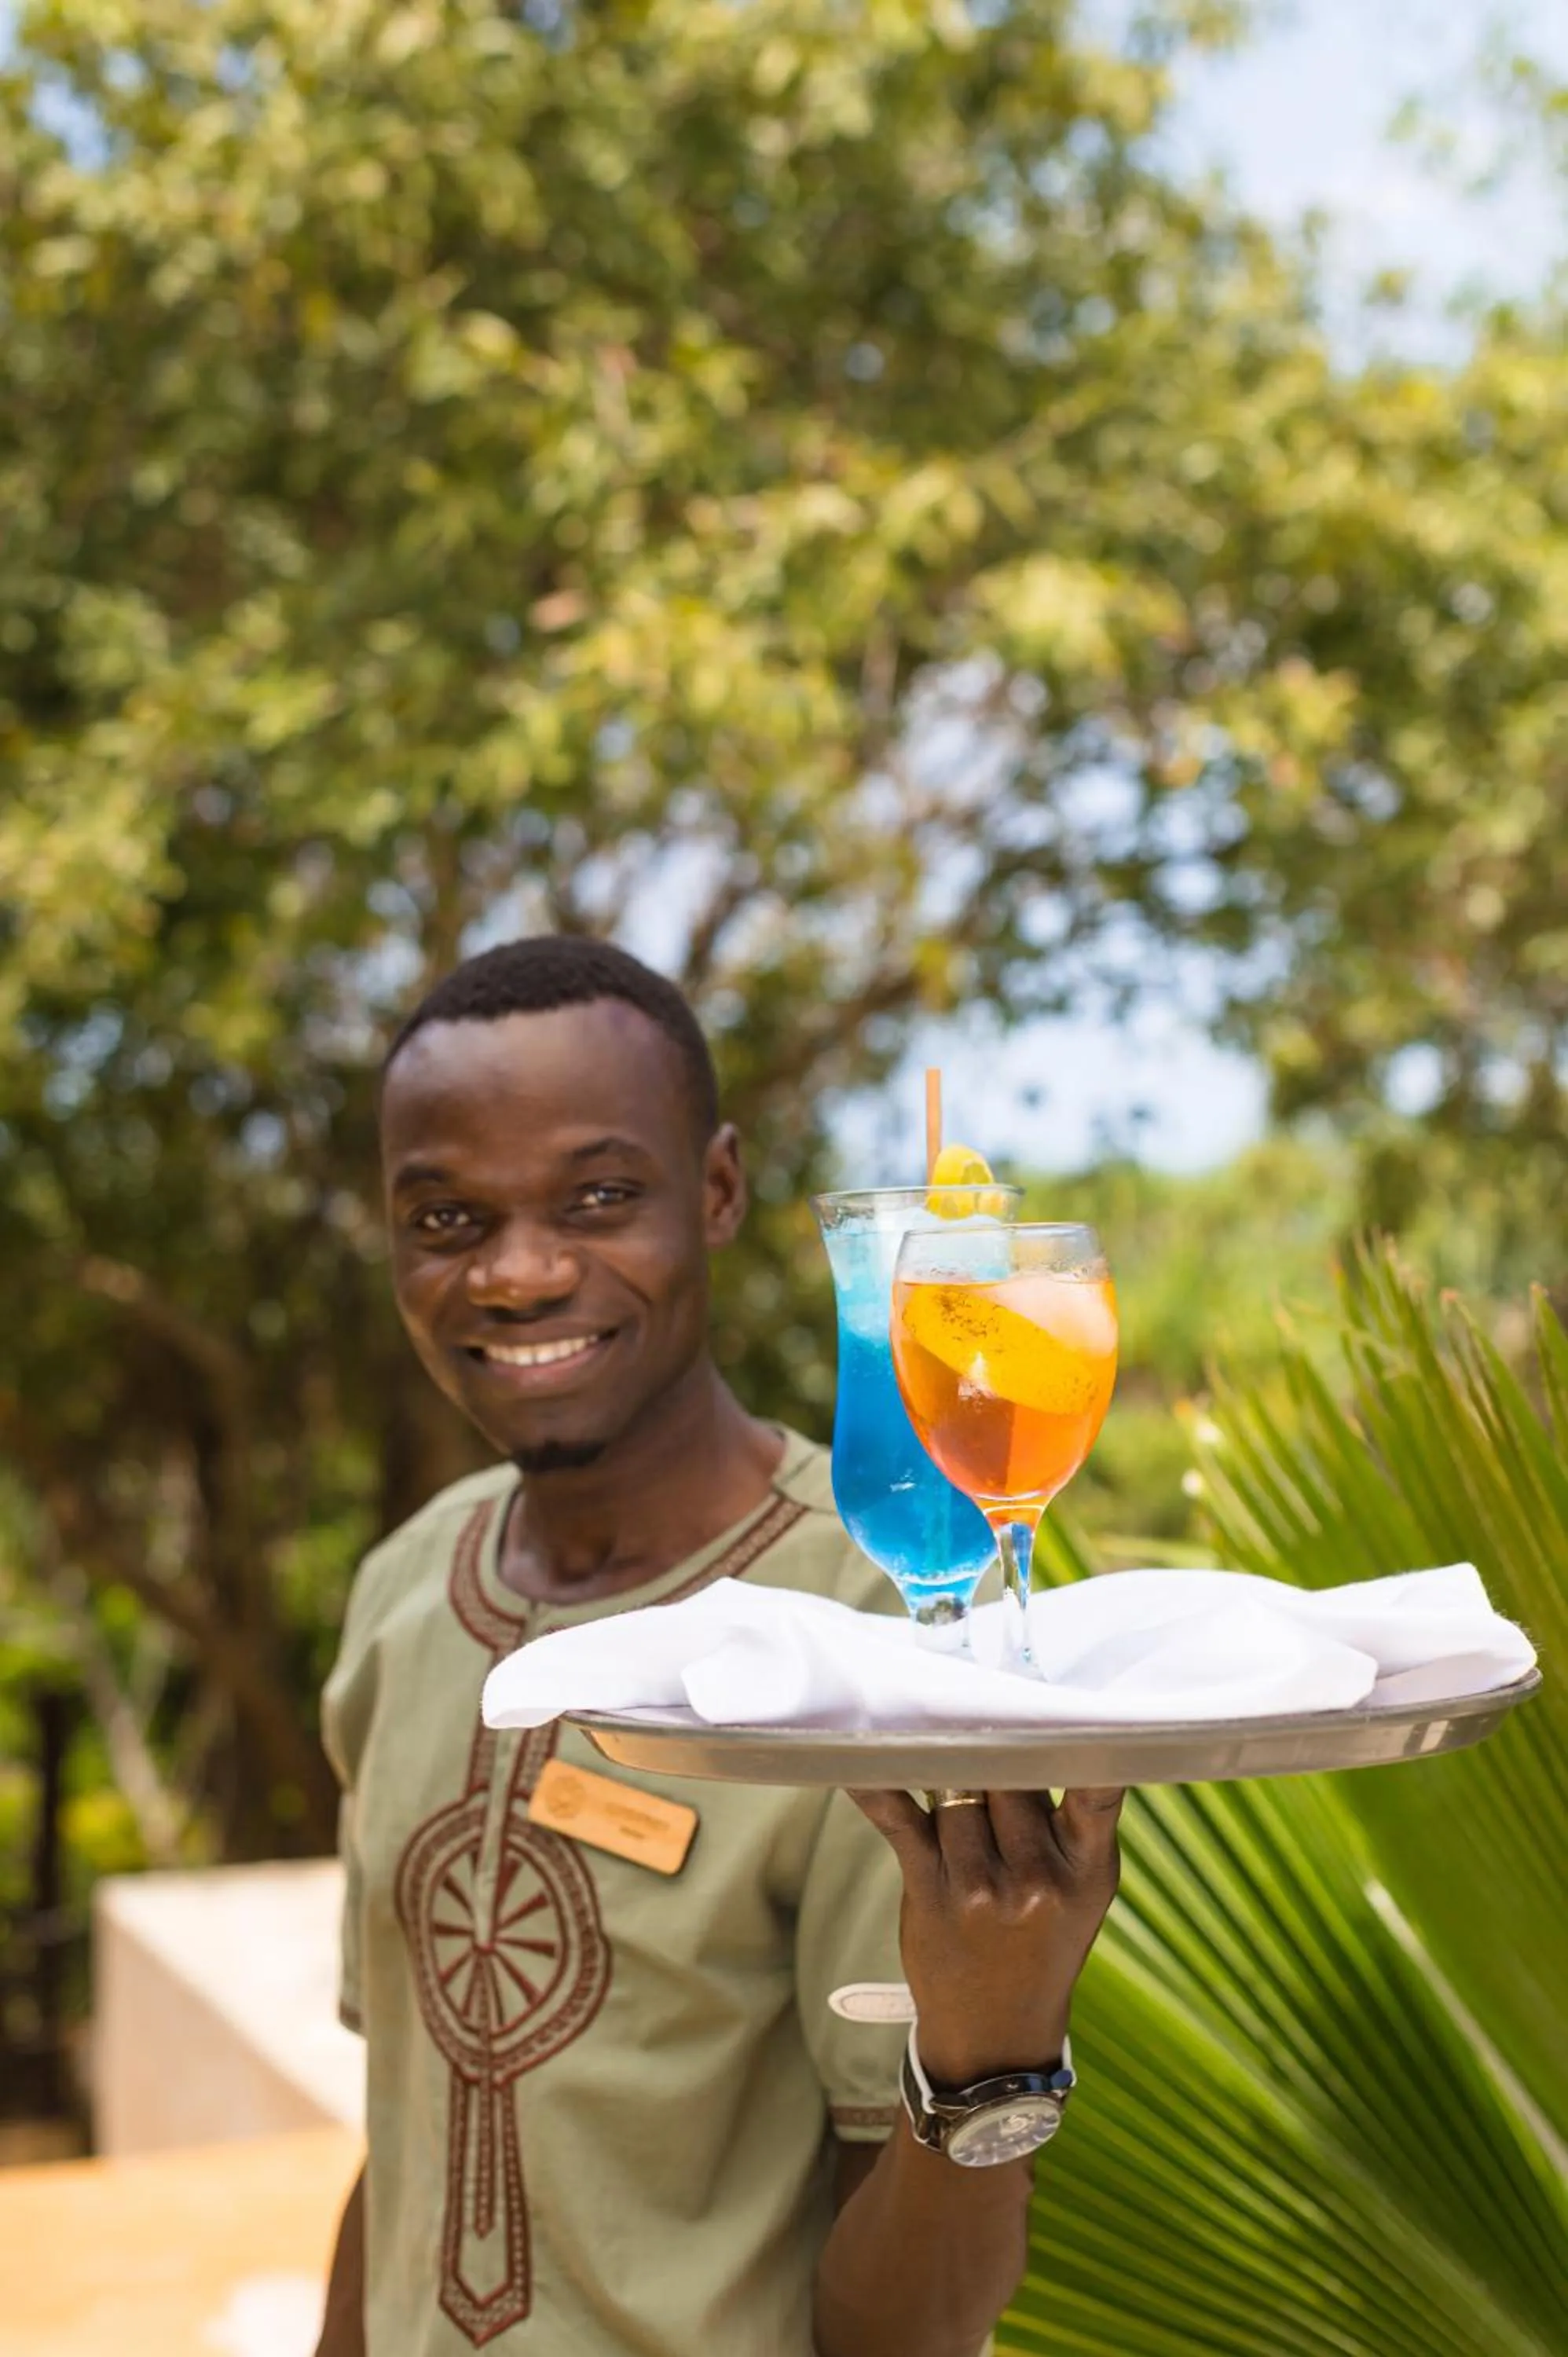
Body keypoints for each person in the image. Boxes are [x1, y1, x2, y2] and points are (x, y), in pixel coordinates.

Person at [315, 936, 1123, 2357]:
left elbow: (907, 2332)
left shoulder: (881, 1630)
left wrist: (988, 2053)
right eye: (445, 1220)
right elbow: (413, 2133)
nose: (516, 1274)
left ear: (721, 1191)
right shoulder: (401, 1597)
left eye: (601, 1197)